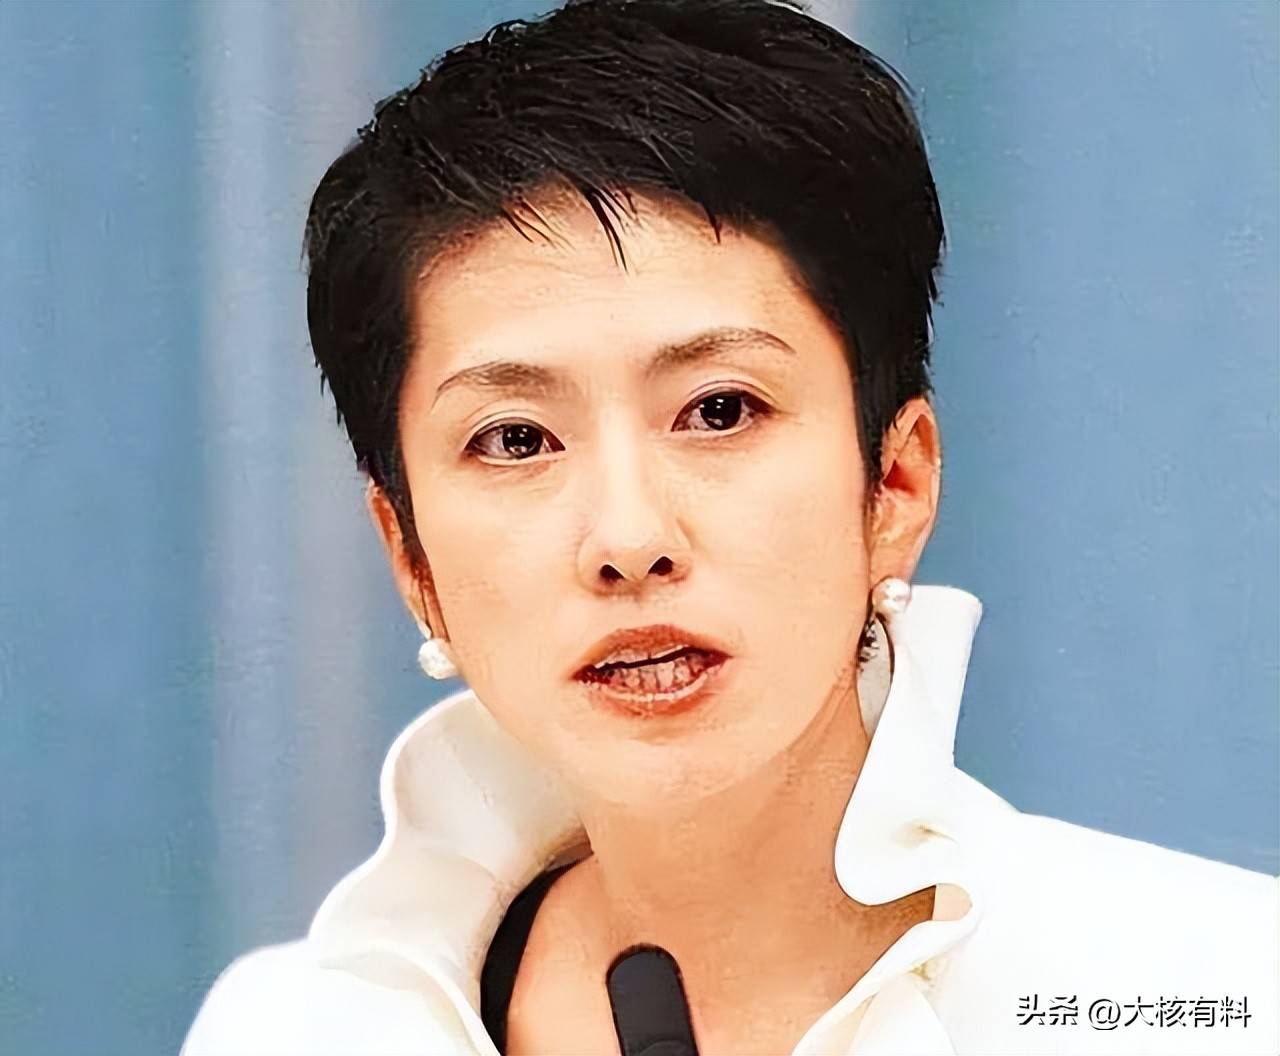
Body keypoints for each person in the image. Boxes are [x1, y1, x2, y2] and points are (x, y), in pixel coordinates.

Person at [181, 0, 1279, 1053]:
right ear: (410, 557)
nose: (627, 540)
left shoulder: (1218, 991)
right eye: (515, 439)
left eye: (719, 410)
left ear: (893, 485)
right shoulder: (289, 1031)